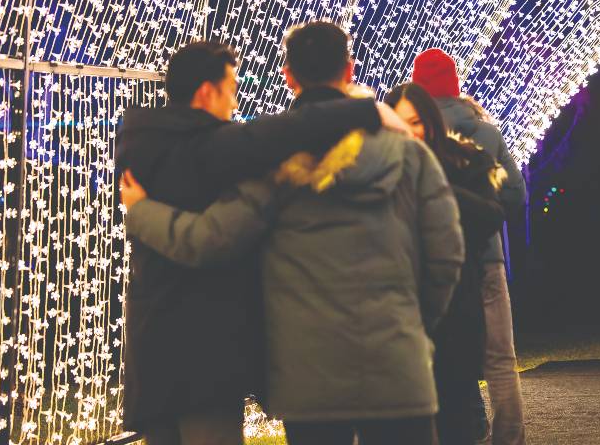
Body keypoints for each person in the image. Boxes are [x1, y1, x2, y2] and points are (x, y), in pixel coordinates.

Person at [120, 23, 463, 445]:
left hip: (307, 376)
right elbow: (446, 254)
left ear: (288, 76)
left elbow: (214, 238)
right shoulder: (411, 154)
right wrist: (415, 322)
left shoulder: (273, 165)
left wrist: (141, 212)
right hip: (398, 364)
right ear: (350, 70)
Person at [411, 48, 527, 445]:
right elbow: (515, 195)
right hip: (485, 256)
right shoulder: (486, 132)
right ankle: (509, 436)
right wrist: (485, 215)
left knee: (438, 352)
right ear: (455, 84)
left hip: (428, 260)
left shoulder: (411, 132)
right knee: (499, 357)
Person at [385, 82, 505, 445]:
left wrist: (432, 186)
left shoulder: (464, 161)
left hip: (454, 306)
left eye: (417, 122)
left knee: (458, 413)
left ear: (432, 122)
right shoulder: (378, 169)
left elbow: (490, 216)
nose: (409, 132)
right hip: (400, 313)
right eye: (399, 123)